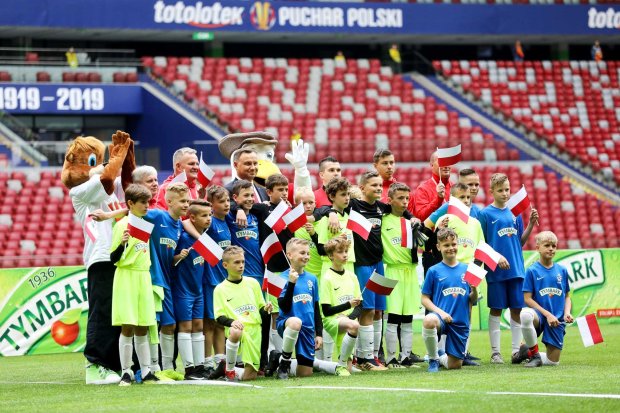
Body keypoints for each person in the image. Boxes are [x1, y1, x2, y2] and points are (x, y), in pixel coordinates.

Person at [478, 173, 538, 365]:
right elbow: (482, 244)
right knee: (496, 310)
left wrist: (529, 225)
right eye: (500, 190)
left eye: (507, 190)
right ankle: (495, 352)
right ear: (491, 191)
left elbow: (519, 243)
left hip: (517, 270)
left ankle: (515, 351)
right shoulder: (485, 214)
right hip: (496, 272)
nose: (505, 194)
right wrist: (495, 258)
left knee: (517, 311)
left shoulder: (515, 214)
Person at [273, 239, 348, 379]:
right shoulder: (281, 278)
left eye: (308, 253)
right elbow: (284, 307)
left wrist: (318, 333)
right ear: (289, 255)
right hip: (288, 324)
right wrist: (291, 284)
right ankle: (283, 364)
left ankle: (276, 359)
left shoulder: (312, 279)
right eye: (302, 253)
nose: (306, 256)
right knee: (296, 322)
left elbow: (315, 308)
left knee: (305, 373)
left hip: (308, 328)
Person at [109, 184, 159, 385]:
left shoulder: (145, 224)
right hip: (127, 276)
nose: (147, 206)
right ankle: (126, 371)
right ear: (130, 203)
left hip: (143, 277)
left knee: (143, 325)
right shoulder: (122, 226)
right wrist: (122, 244)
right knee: (128, 325)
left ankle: (146, 371)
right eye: (142, 202)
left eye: (148, 202)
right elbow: (113, 258)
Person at [144, 182, 190, 381]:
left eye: (187, 200)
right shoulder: (157, 216)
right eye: (182, 201)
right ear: (169, 202)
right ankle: (153, 367)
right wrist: (109, 216)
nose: (186, 204)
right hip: (153, 279)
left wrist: (179, 257)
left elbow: (169, 259)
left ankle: (168, 366)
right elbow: (133, 213)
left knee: (169, 325)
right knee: (152, 325)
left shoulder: (179, 225)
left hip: (167, 281)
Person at [421, 228, 478, 373]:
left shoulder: (468, 269)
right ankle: (433, 359)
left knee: (455, 365)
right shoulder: (433, 271)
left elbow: (472, 300)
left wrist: (475, 290)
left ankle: (441, 357)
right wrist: (442, 313)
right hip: (441, 318)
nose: (451, 248)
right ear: (438, 247)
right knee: (429, 320)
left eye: (453, 244)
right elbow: (424, 299)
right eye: (446, 245)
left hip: (459, 322)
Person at [212, 246, 273, 381]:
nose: (241, 265)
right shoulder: (220, 289)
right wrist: (232, 322)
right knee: (235, 331)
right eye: (237, 262)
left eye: (243, 262)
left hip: (255, 330)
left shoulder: (253, 283)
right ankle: (229, 369)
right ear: (225, 265)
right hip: (237, 330)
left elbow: (260, 308)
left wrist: (266, 308)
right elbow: (219, 317)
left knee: (249, 377)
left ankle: (225, 368)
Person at [381, 183, 423, 368]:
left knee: (408, 317)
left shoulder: (412, 222)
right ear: (390, 200)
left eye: (407, 198)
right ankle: (390, 358)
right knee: (393, 317)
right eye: (400, 198)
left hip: (410, 272)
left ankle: (405, 357)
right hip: (392, 271)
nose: (405, 202)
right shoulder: (382, 220)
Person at [171, 200, 212, 380]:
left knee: (198, 327)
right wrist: (179, 255)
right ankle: (189, 369)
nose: (209, 218)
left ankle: (200, 366)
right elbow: (171, 261)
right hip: (183, 291)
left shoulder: (204, 239)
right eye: (204, 215)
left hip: (198, 292)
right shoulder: (184, 238)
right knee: (185, 327)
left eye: (210, 215)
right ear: (192, 218)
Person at [520, 231, 573, 367]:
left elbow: (567, 296)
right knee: (525, 315)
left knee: (552, 362)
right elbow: (527, 299)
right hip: (540, 316)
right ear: (537, 248)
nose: (551, 248)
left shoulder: (562, 271)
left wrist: (567, 313)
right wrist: (547, 314)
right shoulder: (532, 270)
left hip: (557, 319)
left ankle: (526, 352)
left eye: (554, 246)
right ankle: (535, 356)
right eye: (547, 245)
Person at [320, 236, 361, 375]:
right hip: (331, 319)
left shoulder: (352, 276)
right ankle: (341, 365)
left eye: (346, 251)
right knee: (354, 326)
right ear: (331, 255)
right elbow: (326, 311)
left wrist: (349, 316)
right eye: (340, 252)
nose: (344, 254)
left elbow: (360, 306)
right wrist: (347, 306)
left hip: (348, 319)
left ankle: (332, 365)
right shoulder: (326, 278)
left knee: (349, 371)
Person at [410, 151, 452, 277]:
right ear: (431, 165)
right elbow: (420, 216)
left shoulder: (455, 189)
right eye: (441, 162)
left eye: (448, 162)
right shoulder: (423, 188)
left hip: (454, 247)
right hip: (433, 249)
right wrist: (438, 200)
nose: (445, 165)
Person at [204, 185, 231, 376]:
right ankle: (206, 363)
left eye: (228, 200)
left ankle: (221, 361)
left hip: (223, 281)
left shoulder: (226, 222)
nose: (226, 204)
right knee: (209, 324)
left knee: (221, 323)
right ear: (211, 205)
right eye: (221, 201)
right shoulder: (211, 223)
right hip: (210, 279)